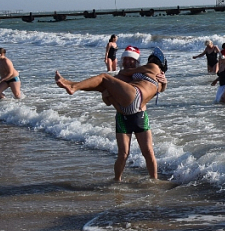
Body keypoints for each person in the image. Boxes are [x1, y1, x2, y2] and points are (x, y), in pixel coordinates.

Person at [55, 46, 166, 181]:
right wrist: (109, 96)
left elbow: (152, 86)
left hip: (137, 110)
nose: (128, 63)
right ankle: (117, 180)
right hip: (124, 112)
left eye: (131, 59)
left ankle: (73, 86)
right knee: (123, 154)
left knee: (104, 77)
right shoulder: (139, 76)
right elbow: (106, 100)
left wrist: (163, 83)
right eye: (125, 59)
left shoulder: (151, 69)